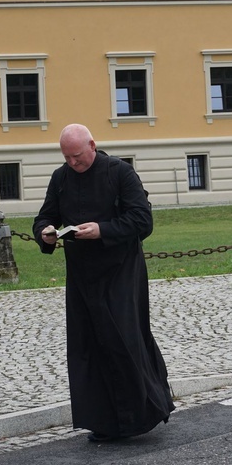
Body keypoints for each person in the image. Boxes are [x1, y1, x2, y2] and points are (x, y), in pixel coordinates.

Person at [33, 124, 175, 442]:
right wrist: (44, 232)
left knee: (124, 339)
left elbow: (142, 219)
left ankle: (142, 415)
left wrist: (102, 230)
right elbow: (45, 216)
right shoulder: (60, 177)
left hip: (121, 271)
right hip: (82, 275)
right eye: (67, 157)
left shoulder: (120, 172)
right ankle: (104, 423)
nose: (72, 163)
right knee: (89, 345)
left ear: (93, 146)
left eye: (77, 156)